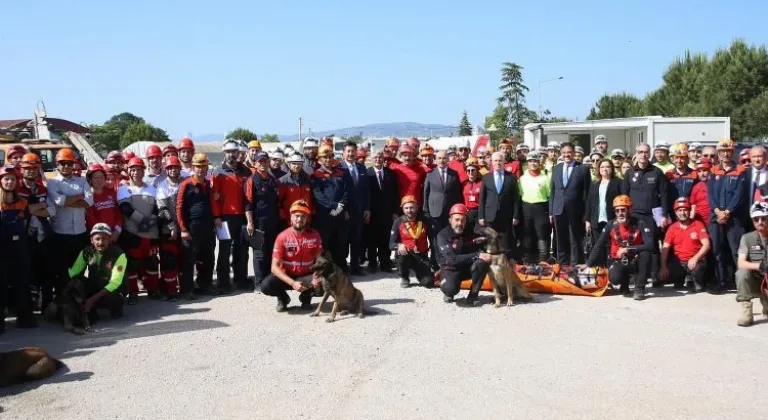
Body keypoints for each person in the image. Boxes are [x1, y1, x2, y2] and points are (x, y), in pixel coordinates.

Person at [582, 195, 654, 300]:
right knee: (614, 278)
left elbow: (650, 245)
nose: (620, 213)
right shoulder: (610, 225)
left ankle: (639, 288)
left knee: (646, 254)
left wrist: (628, 249)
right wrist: (588, 264)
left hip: (636, 260)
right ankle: (624, 283)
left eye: (623, 210)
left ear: (630, 210)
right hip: (618, 261)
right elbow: (599, 245)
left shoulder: (640, 224)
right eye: (617, 211)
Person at [47, 148, 93, 306]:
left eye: (69, 163)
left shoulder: (82, 181)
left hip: (80, 234)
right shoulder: (52, 183)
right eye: (62, 163)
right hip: (61, 235)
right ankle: (63, 307)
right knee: (62, 273)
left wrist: (68, 200)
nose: (66, 166)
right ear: (57, 164)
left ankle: (79, 305)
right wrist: (79, 198)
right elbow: (60, 202)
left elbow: (89, 201)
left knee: (79, 272)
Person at [261, 200, 322, 312]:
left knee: (324, 281)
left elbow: (319, 261)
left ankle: (306, 297)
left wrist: (316, 278)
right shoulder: (282, 237)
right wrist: (293, 283)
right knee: (266, 286)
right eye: (297, 216)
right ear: (291, 217)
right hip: (287, 277)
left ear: (307, 218)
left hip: (306, 276)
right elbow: (274, 268)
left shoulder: (315, 235)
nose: (299, 219)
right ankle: (283, 298)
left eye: (303, 216)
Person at [622, 143, 670, 287]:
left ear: (649, 154)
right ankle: (633, 275)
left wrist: (663, 215)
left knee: (653, 245)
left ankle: (654, 275)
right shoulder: (630, 173)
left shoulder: (656, 172)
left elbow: (664, 196)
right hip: (635, 215)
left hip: (652, 215)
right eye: (640, 152)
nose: (643, 155)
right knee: (633, 244)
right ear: (636, 154)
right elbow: (624, 195)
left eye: (646, 152)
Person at [117, 157, 161, 304]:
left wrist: (151, 221)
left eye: (139, 169)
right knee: (133, 265)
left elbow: (158, 208)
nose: (136, 172)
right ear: (129, 171)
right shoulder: (124, 189)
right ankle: (133, 293)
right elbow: (125, 209)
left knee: (152, 262)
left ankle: (153, 290)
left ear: (144, 171)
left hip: (151, 233)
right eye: (133, 169)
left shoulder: (153, 189)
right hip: (132, 234)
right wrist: (143, 221)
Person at [212, 140, 253, 292]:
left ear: (238, 153)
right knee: (224, 249)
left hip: (242, 217)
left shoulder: (246, 172)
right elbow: (214, 198)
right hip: (225, 218)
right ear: (224, 153)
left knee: (242, 249)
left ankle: (240, 279)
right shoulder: (218, 173)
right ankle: (223, 283)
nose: (231, 155)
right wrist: (216, 216)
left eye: (234, 152)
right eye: (228, 152)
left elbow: (249, 196)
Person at [0, 164, 37, 333]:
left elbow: (26, 223)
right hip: (1, 249)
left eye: (13, 179)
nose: (9, 182)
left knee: (22, 282)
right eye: (6, 179)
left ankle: (25, 318)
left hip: (19, 247)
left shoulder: (22, 202)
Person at [176, 153, 217, 299]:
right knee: (189, 260)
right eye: (198, 167)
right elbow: (179, 209)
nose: (200, 169)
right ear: (193, 167)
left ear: (207, 168)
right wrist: (183, 229)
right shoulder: (186, 185)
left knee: (208, 258)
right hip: (192, 228)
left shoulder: (208, 184)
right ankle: (187, 290)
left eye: (203, 166)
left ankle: (205, 284)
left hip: (207, 227)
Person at [708, 138, 746, 292]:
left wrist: (728, 212)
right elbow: (710, 194)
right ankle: (721, 282)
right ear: (718, 153)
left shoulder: (741, 170)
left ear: (732, 152)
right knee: (717, 251)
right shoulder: (713, 170)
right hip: (716, 217)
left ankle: (741, 284)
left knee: (737, 251)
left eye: (728, 151)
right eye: (722, 151)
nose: (725, 154)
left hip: (734, 217)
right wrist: (717, 211)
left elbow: (740, 194)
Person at [67, 223, 126, 321]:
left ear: (110, 239)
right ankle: (91, 311)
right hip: (94, 285)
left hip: (112, 289)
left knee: (113, 297)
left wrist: (92, 300)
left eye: (104, 238)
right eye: (97, 239)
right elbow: (73, 273)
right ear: (92, 240)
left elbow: (115, 283)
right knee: (77, 284)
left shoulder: (119, 255)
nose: (101, 242)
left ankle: (115, 309)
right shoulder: (86, 252)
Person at [16, 153, 53, 311]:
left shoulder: (43, 188)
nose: (31, 171)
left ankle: (46, 305)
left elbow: (51, 211)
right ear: (21, 169)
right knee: (26, 272)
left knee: (46, 270)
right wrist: (39, 206)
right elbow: (22, 211)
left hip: (43, 236)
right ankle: (27, 306)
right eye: (27, 168)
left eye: (34, 168)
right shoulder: (15, 187)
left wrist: (31, 209)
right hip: (24, 236)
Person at [437, 203, 491, 306]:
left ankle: (473, 295)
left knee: (482, 263)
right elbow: (453, 259)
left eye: (463, 220)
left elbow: (484, 246)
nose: (460, 223)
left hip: (467, 268)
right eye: (456, 220)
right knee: (450, 289)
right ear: (450, 220)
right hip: (451, 269)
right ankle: (450, 291)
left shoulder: (470, 231)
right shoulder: (442, 235)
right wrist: (476, 254)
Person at [310, 145, 352, 272]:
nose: (328, 160)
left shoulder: (341, 173)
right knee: (323, 246)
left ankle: (341, 271)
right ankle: (323, 274)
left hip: (339, 215)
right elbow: (318, 195)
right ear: (319, 159)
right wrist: (333, 206)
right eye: (325, 157)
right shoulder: (315, 175)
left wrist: (341, 206)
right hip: (324, 217)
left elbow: (347, 191)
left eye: (330, 157)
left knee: (340, 244)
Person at [549, 142, 591, 266]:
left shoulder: (583, 168)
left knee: (575, 239)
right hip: (558, 209)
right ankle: (563, 265)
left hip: (576, 210)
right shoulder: (556, 169)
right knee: (561, 239)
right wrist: (551, 211)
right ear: (561, 154)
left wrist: (586, 214)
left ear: (574, 153)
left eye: (569, 152)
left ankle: (575, 265)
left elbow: (587, 193)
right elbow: (553, 191)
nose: (567, 155)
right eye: (564, 153)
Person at [245, 151, 281, 287]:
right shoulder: (252, 180)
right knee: (259, 252)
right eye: (260, 161)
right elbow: (248, 203)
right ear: (255, 163)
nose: (263, 164)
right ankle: (258, 282)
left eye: (265, 161)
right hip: (258, 221)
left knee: (271, 251)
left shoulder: (272, 180)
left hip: (272, 220)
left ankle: (267, 281)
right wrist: (250, 222)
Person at [659, 197, 710, 291]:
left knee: (697, 273)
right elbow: (665, 249)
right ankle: (680, 280)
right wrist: (663, 267)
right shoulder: (672, 228)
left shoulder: (698, 224)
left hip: (696, 261)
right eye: (680, 210)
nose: (682, 213)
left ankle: (695, 281)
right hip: (680, 262)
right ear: (675, 212)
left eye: (685, 210)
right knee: (670, 272)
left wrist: (695, 258)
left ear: (689, 211)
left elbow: (706, 245)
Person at [424, 150, 463, 270]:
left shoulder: (454, 174)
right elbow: (426, 193)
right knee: (434, 239)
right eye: (439, 158)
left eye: (444, 158)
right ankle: (434, 263)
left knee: (449, 238)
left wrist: (457, 211)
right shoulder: (430, 174)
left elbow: (458, 194)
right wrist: (426, 212)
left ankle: (449, 262)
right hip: (434, 212)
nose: (442, 160)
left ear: (448, 160)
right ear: (436, 160)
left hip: (449, 213)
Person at [338, 141, 371, 276]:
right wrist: (344, 210)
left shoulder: (361, 168)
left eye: (353, 151)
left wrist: (367, 208)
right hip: (345, 211)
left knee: (357, 240)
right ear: (344, 153)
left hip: (359, 210)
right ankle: (343, 267)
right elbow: (339, 191)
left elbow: (366, 190)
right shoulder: (339, 168)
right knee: (343, 240)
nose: (351, 154)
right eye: (348, 151)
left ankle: (355, 266)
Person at [734, 202, 768, 326]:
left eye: (764, 218)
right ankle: (746, 312)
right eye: (756, 219)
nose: (760, 222)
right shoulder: (746, 238)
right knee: (741, 273)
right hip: (755, 280)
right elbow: (741, 263)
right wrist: (760, 266)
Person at [156, 156, 185, 300]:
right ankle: (170, 292)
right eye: (170, 168)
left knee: (183, 261)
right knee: (169, 261)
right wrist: (172, 227)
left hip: (184, 229)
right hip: (169, 230)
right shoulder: (162, 186)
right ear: (166, 170)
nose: (173, 170)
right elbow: (162, 209)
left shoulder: (185, 183)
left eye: (175, 167)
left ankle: (183, 289)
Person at [366, 150, 399, 273]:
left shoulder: (391, 174)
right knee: (371, 240)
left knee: (385, 239)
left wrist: (395, 211)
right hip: (372, 213)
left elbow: (396, 194)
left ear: (383, 159)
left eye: (380, 157)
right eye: (375, 157)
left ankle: (385, 262)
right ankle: (372, 263)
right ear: (371, 158)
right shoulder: (366, 173)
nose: (378, 159)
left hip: (387, 213)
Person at [390, 196, 433, 288]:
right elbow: (391, 244)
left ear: (417, 208)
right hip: (406, 255)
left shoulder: (425, 220)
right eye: (406, 208)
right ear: (402, 209)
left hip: (421, 256)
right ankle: (404, 276)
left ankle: (421, 273)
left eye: (412, 207)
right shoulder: (398, 222)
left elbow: (434, 241)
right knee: (401, 254)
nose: (409, 210)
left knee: (428, 283)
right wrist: (399, 245)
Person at [518, 152, 551, 263]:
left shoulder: (545, 178)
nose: (533, 163)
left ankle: (543, 261)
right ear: (527, 163)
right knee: (527, 236)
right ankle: (527, 261)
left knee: (542, 236)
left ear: (539, 162)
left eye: (535, 161)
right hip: (526, 208)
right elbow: (520, 194)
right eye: (531, 161)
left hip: (541, 208)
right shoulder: (522, 178)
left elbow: (549, 195)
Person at [585, 159, 623, 243]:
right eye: (602, 167)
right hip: (596, 220)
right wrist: (587, 220)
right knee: (598, 246)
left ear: (612, 168)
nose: (604, 169)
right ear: (598, 169)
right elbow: (589, 202)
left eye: (607, 167)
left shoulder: (618, 183)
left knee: (611, 245)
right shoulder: (594, 184)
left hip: (612, 219)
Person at [277, 153, 315, 230]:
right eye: (294, 163)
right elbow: (278, 202)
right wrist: (284, 217)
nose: (296, 166)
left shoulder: (308, 179)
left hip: (306, 218)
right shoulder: (282, 181)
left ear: (302, 165)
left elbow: (312, 198)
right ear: (289, 165)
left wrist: (311, 213)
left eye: (299, 163)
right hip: (289, 220)